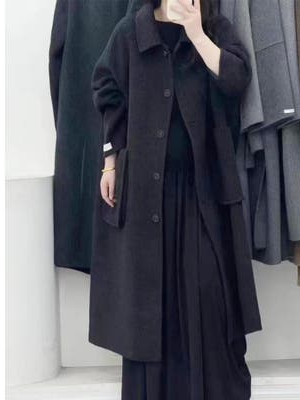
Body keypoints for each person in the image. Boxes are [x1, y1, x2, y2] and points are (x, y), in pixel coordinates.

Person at [90, 0, 262, 398]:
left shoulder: (214, 29)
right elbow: (107, 90)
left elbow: (237, 79)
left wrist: (196, 34)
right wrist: (109, 162)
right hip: (146, 197)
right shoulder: (131, 32)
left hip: (203, 194)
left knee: (209, 297)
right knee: (152, 307)